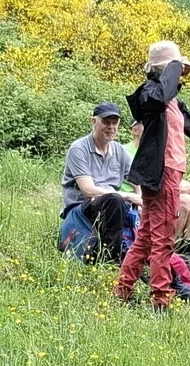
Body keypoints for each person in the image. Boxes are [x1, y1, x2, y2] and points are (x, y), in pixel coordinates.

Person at [116, 41, 190, 311]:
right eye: (175, 70)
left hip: (171, 171)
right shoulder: (151, 94)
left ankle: (123, 290)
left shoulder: (173, 101)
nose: (179, 77)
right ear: (165, 71)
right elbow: (158, 96)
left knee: (145, 237)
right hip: (161, 172)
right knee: (163, 239)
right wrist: (174, 66)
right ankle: (160, 300)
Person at [58, 101, 142, 263]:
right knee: (115, 199)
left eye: (114, 123)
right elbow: (88, 190)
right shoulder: (79, 148)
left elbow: (137, 179)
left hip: (113, 205)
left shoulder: (118, 150)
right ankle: (111, 258)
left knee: (137, 202)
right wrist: (129, 196)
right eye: (106, 122)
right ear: (94, 122)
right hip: (82, 207)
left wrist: (140, 199)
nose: (110, 127)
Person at [122, 120, 190, 253]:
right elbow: (146, 182)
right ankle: (166, 250)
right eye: (148, 126)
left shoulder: (155, 153)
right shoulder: (126, 152)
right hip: (134, 198)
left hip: (154, 193)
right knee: (184, 200)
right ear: (135, 131)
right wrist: (184, 189)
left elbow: (169, 177)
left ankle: (186, 245)